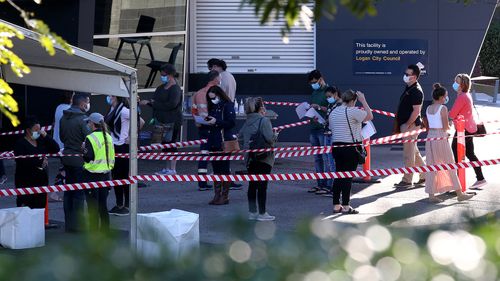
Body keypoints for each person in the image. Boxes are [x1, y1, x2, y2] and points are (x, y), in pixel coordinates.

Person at [423, 84, 473, 202]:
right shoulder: (443, 108)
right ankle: (460, 194)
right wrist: (449, 127)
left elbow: (428, 124)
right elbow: (445, 126)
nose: (446, 98)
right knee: (450, 164)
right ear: (441, 97)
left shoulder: (428, 108)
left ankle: (431, 195)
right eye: (445, 96)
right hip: (440, 136)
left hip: (430, 137)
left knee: (431, 165)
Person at [329, 90, 373, 214]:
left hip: (336, 147)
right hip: (350, 147)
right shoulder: (352, 111)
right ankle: (346, 206)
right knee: (347, 177)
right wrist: (363, 100)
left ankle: (336, 205)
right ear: (353, 101)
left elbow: (332, 128)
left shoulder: (334, 112)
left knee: (338, 175)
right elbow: (370, 116)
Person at [238, 97, 278, 221]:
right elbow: (270, 139)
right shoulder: (264, 121)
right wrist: (275, 135)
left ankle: (252, 212)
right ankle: (262, 213)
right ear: (260, 108)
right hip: (264, 158)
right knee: (262, 186)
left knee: (252, 185)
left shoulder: (247, 122)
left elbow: (240, 138)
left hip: (250, 158)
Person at [140, 63, 183, 176]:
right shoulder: (160, 88)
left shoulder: (175, 89)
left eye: (164, 75)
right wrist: (149, 103)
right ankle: (167, 168)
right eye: (161, 74)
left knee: (171, 144)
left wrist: (154, 103)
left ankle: (172, 168)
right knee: (164, 144)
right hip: (160, 120)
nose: (162, 77)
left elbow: (171, 104)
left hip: (172, 121)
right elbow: (155, 101)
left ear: (170, 75)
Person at [207, 58, 242, 190]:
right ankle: (225, 181)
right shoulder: (231, 76)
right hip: (227, 116)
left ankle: (223, 182)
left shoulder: (221, 79)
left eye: (211, 68)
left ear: (216, 66)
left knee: (220, 155)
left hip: (220, 123)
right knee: (225, 155)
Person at [60, 92, 92, 232]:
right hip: (79, 159)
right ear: (82, 104)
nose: (88, 105)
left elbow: (61, 137)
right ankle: (79, 225)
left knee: (68, 192)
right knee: (79, 193)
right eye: (87, 102)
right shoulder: (82, 120)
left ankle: (69, 225)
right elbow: (90, 138)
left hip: (66, 157)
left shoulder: (63, 117)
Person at [450, 73, 487, 189]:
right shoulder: (466, 95)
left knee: (457, 152)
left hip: (463, 130)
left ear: (462, 85)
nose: (455, 84)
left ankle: (459, 181)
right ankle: (480, 178)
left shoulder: (462, 97)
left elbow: (452, 114)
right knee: (470, 154)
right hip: (468, 128)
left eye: (457, 82)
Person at [14, 116, 60, 209]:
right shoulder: (20, 144)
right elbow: (21, 161)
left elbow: (56, 148)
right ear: (28, 130)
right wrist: (39, 162)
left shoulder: (41, 141)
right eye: (36, 129)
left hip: (41, 181)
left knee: (39, 209)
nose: (38, 132)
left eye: (40, 129)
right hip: (26, 182)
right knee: (26, 209)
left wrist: (46, 136)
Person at [394, 64, 426, 188]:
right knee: (414, 152)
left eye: (407, 74)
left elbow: (416, 111)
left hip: (410, 126)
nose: (405, 76)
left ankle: (407, 180)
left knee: (408, 154)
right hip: (408, 125)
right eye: (405, 73)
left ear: (414, 77)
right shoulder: (409, 87)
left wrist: (407, 124)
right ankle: (425, 175)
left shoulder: (416, 91)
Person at [83, 112, 115, 232]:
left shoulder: (90, 138)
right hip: (106, 175)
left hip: (92, 175)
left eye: (89, 122)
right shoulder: (108, 137)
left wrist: (83, 151)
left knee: (92, 207)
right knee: (103, 206)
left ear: (92, 123)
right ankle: (105, 231)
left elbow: (88, 157)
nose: (88, 124)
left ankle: (94, 233)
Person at [205, 85, 236, 205]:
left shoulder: (227, 105)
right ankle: (217, 195)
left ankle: (225, 196)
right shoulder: (213, 106)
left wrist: (216, 122)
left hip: (223, 141)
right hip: (213, 140)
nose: (212, 100)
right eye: (210, 98)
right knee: (216, 169)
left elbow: (231, 122)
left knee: (224, 169)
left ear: (219, 95)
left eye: (214, 97)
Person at [192, 70, 221, 191]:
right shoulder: (216, 93)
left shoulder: (198, 93)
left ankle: (202, 183)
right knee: (218, 154)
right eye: (219, 77)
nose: (220, 79)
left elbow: (194, 109)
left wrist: (197, 121)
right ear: (215, 79)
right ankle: (220, 179)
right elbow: (220, 109)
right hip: (213, 127)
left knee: (204, 153)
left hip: (202, 127)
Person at [105, 95, 131, 216]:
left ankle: (126, 205)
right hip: (113, 146)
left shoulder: (124, 111)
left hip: (122, 146)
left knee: (123, 177)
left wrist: (132, 136)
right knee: (116, 176)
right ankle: (119, 204)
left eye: (110, 95)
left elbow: (140, 121)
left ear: (115, 97)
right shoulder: (112, 109)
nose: (108, 97)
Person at [307, 69, 329, 193]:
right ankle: (320, 184)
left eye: (314, 82)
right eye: (311, 83)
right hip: (314, 128)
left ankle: (327, 185)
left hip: (323, 129)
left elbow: (333, 108)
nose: (313, 85)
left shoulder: (329, 91)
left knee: (326, 157)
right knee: (317, 158)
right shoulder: (314, 92)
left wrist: (319, 107)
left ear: (321, 79)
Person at [51, 91, 73, 202]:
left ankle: (58, 191)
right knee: (65, 168)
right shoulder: (70, 109)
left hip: (57, 142)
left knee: (65, 167)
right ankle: (55, 191)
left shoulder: (58, 107)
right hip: (65, 144)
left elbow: (54, 123)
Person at [320, 86, 341, 195]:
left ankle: (334, 187)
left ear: (336, 94)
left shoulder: (340, 105)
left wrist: (327, 120)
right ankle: (330, 185)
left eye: (329, 96)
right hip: (327, 133)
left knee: (332, 162)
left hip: (333, 135)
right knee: (327, 160)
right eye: (327, 97)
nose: (328, 98)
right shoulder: (331, 104)